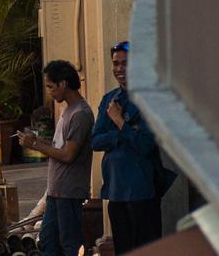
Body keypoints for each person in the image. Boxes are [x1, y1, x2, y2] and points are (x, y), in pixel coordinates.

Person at [91, 40, 166, 253]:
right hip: (116, 190)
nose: (119, 69)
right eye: (115, 64)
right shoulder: (110, 99)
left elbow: (146, 144)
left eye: (125, 64)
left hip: (141, 190)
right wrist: (123, 133)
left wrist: (118, 121)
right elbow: (95, 140)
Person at [17, 60, 91, 256]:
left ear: (63, 84)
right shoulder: (67, 111)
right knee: (48, 242)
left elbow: (68, 155)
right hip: (56, 191)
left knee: (70, 244)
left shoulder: (80, 114)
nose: (49, 91)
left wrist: (35, 145)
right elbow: (58, 147)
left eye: (51, 86)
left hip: (70, 192)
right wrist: (38, 140)